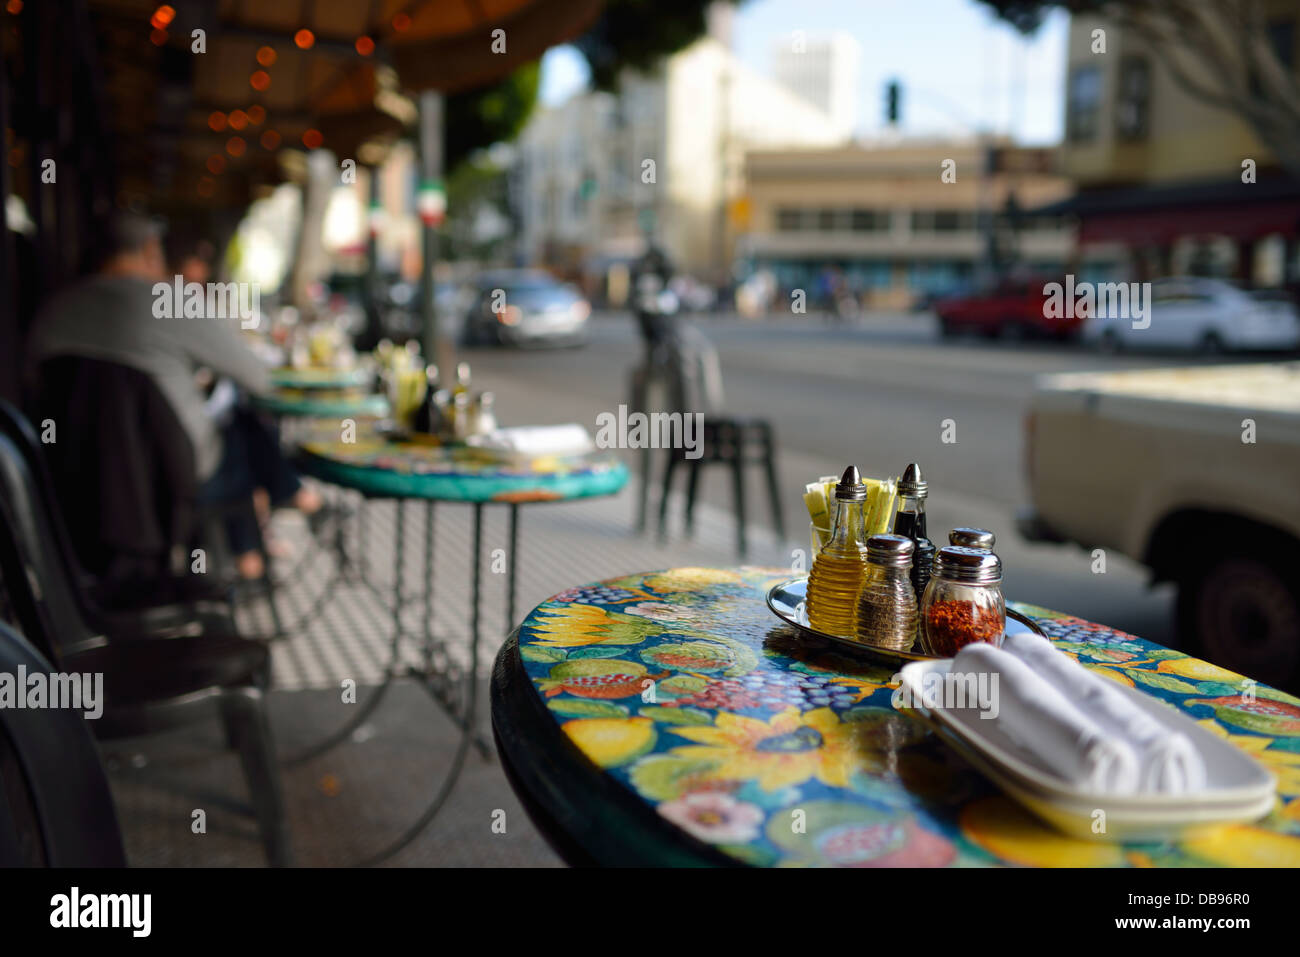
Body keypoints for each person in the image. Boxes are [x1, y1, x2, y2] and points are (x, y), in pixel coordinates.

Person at [26, 211, 325, 581]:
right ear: (152, 250)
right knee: (243, 430)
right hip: (171, 479)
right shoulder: (167, 299)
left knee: (233, 432)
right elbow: (260, 380)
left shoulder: (55, 308)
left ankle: (255, 548)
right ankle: (275, 524)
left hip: (68, 479)